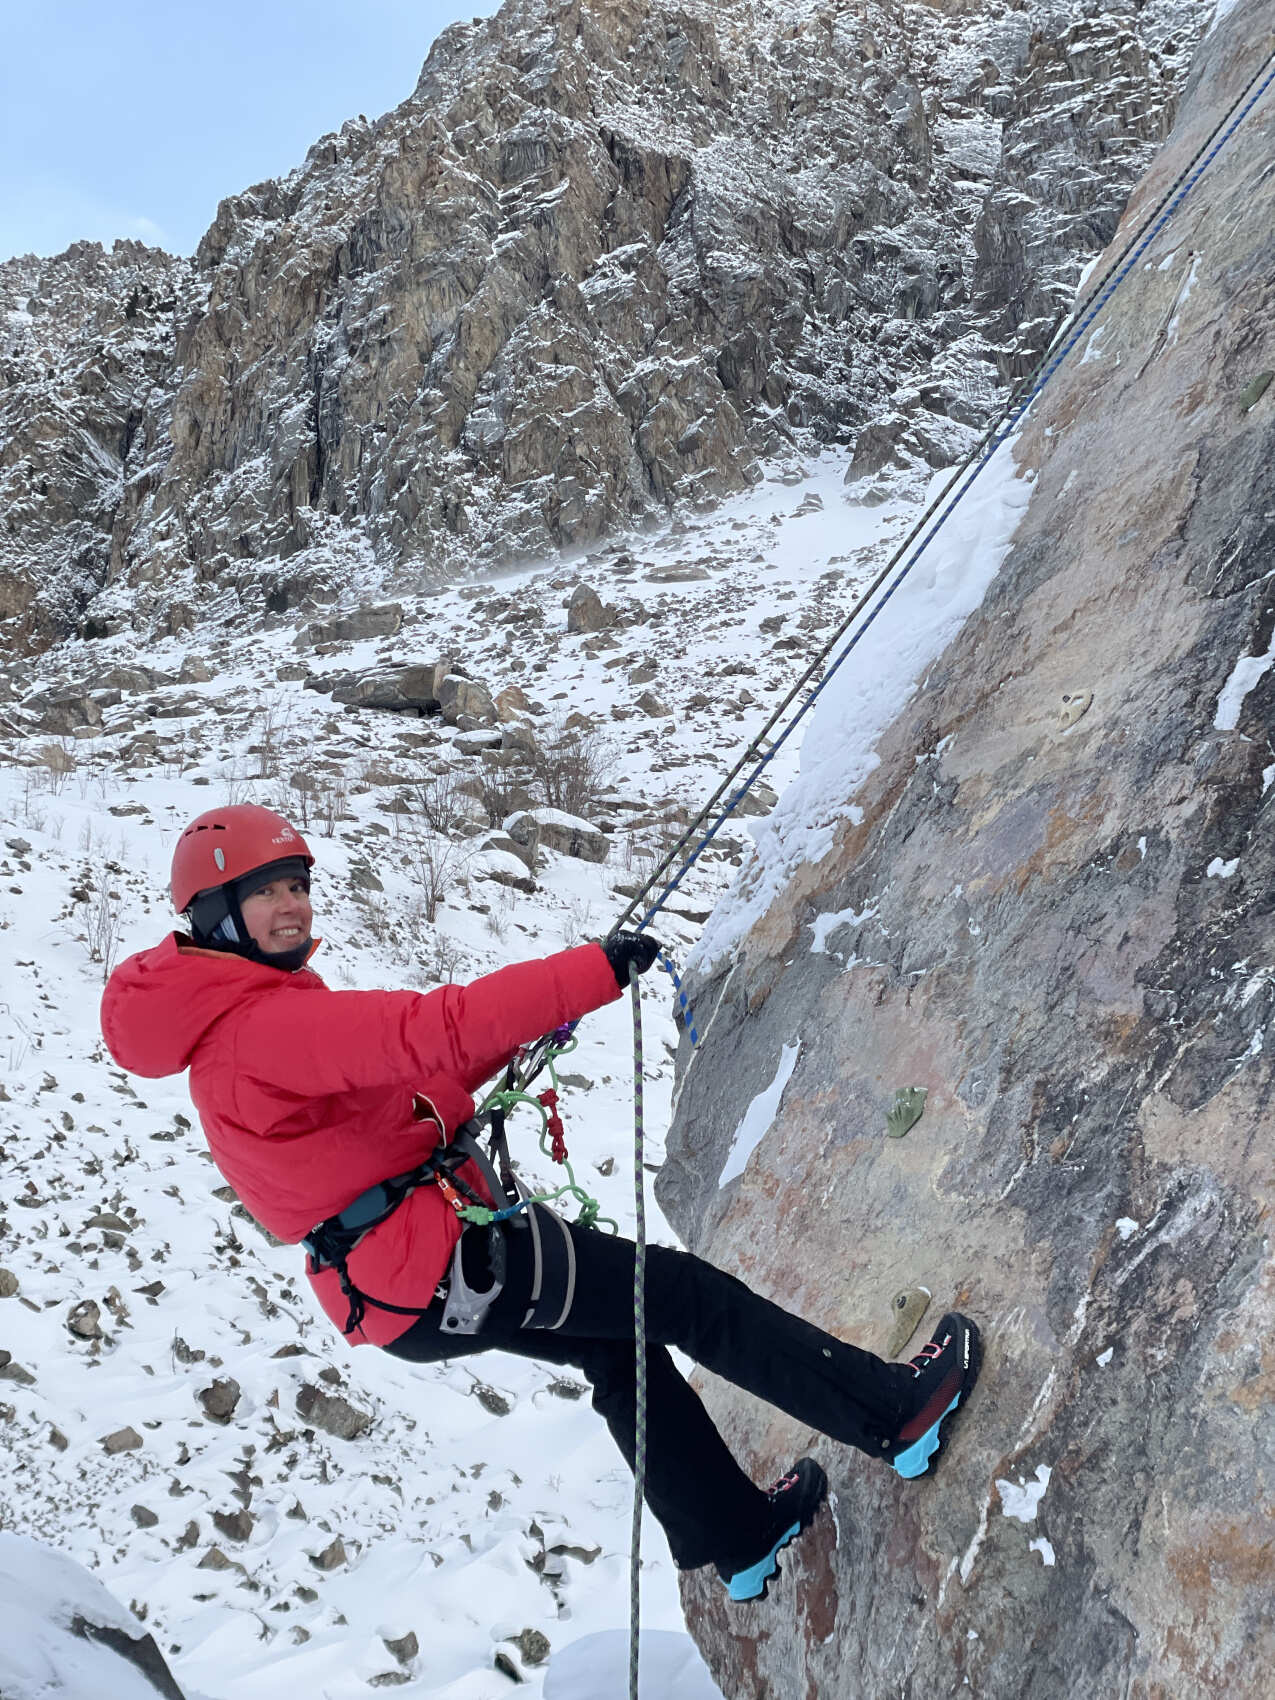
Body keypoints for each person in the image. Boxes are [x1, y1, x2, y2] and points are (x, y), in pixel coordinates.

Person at [100, 803, 981, 1601]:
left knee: (620, 1351)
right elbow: (428, 1028)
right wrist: (584, 973)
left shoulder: (237, 1020)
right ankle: (895, 1412)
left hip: (402, 1291)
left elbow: (408, 1085)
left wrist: (536, 1021)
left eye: (297, 886)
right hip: (446, 1258)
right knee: (682, 1298)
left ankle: (737, 1537)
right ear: (216, 912)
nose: (294, 906)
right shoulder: (259, 1028)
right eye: (268, 893)